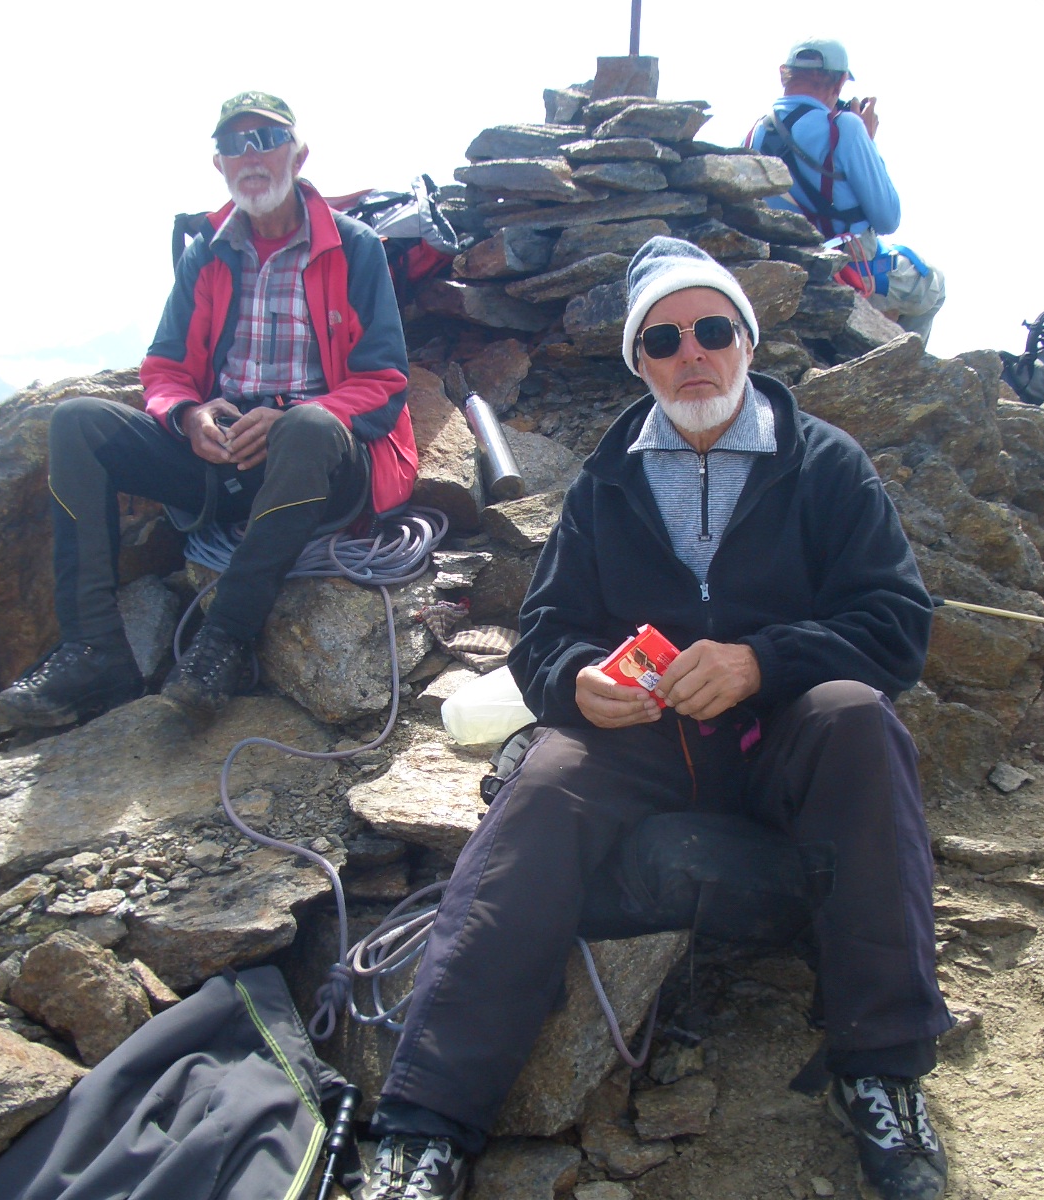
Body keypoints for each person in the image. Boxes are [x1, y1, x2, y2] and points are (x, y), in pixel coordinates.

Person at [360, 238, 954, 1200]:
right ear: (640, 362)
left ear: (747, 342)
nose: (692, 354)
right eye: (664, 340)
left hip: (785, 735)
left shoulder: (825, 465)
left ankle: (882, 1069)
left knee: (857, 717)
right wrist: (577, 681)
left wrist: (763, 661)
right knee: (546, 784)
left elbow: (896, 628)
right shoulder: (608, 481)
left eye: (712, 329)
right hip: (645, 734)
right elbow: (544, 634)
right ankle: (424, 1123)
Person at [0, 91, 415, 728]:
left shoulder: (353, 247)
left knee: (305, 427)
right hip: (225, 456)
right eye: (233, 144)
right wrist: (188, 417)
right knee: (78, 423)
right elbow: (165, 369)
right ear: (218, 164)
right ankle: (93, 652)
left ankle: (224, 642)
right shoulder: (207, 252)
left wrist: (291, 415)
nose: (251, 156)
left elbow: (383, 380)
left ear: (298, 154)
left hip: (317, 461)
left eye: (266, 139)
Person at [748, 37, 947, 343]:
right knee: (933, 284)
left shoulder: (753, 135)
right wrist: (868, 140)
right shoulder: (845, 128)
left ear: (783, 74)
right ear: (840, 82)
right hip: (849, 266)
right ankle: (902, 362)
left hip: (785, 262)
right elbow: (888, 218)